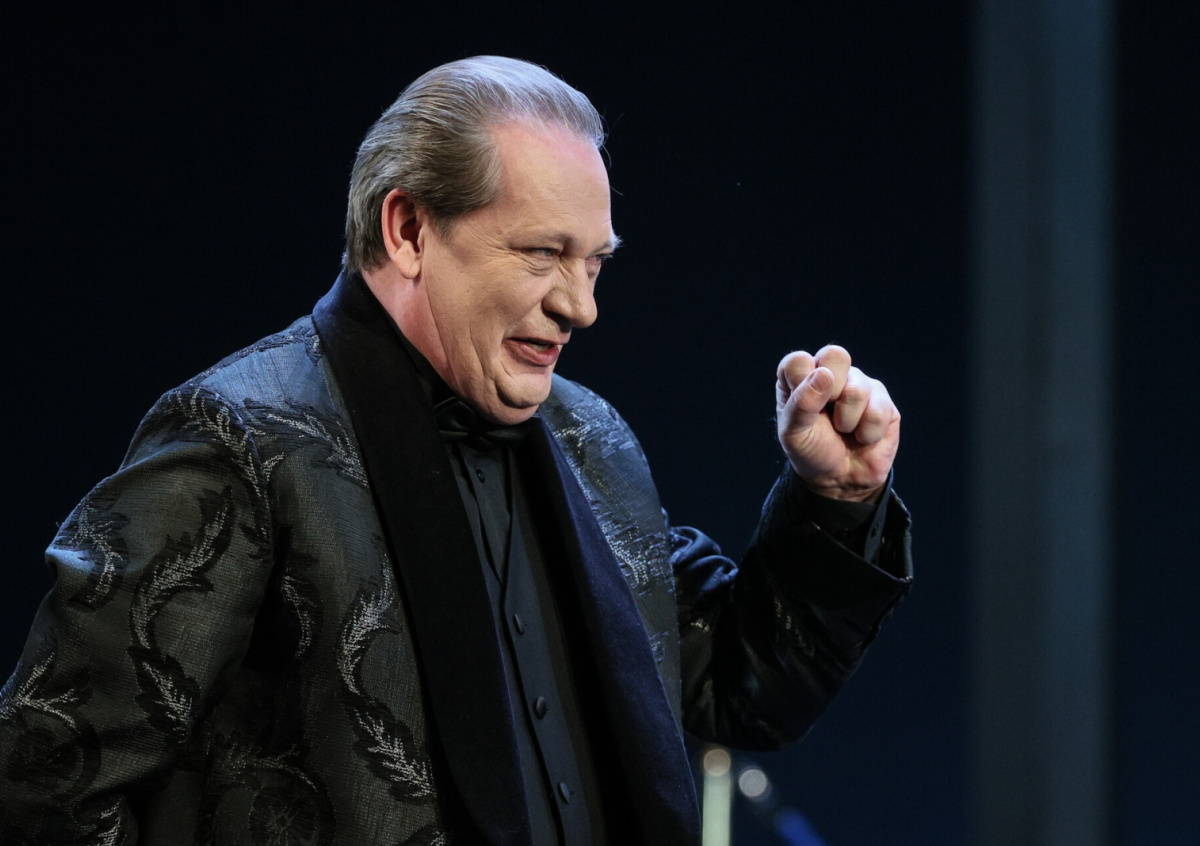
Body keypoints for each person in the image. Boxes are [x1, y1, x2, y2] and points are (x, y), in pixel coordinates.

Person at [0, 56, 911, 845]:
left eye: (595, 262)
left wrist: (836, 501)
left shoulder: (591, 440)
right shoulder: (240, 438)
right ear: (408, 230)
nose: (582, 306)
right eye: (543, 253)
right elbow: (45, 781)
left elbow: (738, 684)